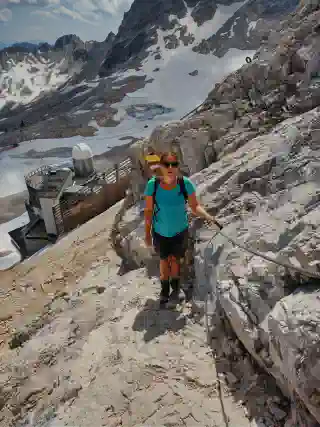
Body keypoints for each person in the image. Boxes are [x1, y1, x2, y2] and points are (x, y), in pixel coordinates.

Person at [144, 152, 221, 307]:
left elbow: (194, 206)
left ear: (178, 166)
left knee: (176, 260)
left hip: (180, 231)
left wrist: (208, 217)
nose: (170, 168)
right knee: (164, 261)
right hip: (160, 232)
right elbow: (148, 210)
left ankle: (176, 290)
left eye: (174, 164)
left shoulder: (185, 184)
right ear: (161, 166)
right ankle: (164, 291)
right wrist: (147, 234)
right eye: (167, 164)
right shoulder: (153, 185)